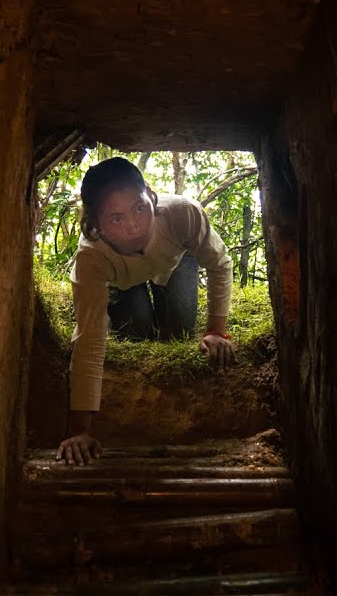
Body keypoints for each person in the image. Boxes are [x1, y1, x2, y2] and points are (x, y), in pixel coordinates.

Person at [56, 157, 235, 466]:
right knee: (136, 331)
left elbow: (219, 264)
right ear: (95, 225)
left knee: (177, 331)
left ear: (151, 196)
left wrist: (216, 331)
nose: (134, 225)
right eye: (116, 219)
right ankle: (129, 300)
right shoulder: (90, 259)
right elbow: (89, 338)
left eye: (139, 208)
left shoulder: (183, 214)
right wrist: (79, 429)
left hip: (173, 265)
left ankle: (159, 297)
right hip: (123, 283)